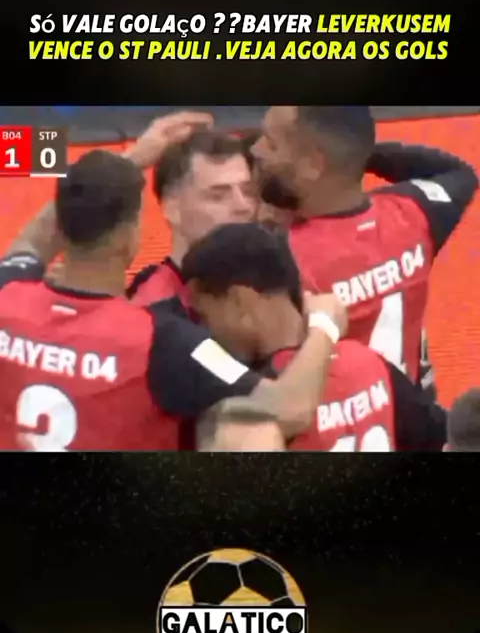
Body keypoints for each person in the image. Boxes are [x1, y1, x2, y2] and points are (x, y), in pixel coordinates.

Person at [0, 148, 347, 451]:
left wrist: (114, 169)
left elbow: (32, 242)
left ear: (62, 226)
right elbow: (290, 406)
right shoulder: (164, 340)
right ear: (129, 236)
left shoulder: (8, 293)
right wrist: (325, 324)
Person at [251, 106, 478, 399]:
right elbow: (459, 173)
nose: (255, 150)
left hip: (334, 421)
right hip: (411, 413)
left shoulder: (281, 256)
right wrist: (355, 155)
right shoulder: (413, 213)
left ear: (313, 164)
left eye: (270, 144)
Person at [181, 222, 447, 452]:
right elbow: (440, 435)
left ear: (240, 301)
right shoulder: (369, 363)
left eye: (205, 316)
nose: (205, 331)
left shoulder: (254, 401)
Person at [127, 128, 257, 306]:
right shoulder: (150, 308)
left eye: (248, 191)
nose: (243, 206)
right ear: (172, 209)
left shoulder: (274, 290)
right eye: (218, 196)